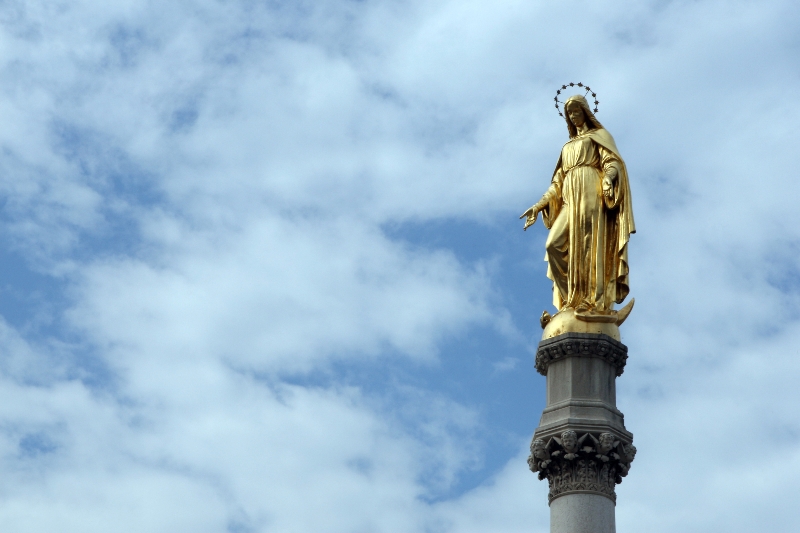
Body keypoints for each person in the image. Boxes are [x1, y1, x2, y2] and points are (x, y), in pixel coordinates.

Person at [521, 95, 635, 316]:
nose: (573, 117)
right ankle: (570, 301)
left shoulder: (599, 137)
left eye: (576, 112)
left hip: (591, 192)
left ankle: (593, 302)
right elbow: (557, 183)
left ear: (585, 112)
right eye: (569, 114)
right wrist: (538, 205)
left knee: (590, 247)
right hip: (569, 198)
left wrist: (608, 178)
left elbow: (611, 162)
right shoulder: (567, 147)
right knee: (553, 245)